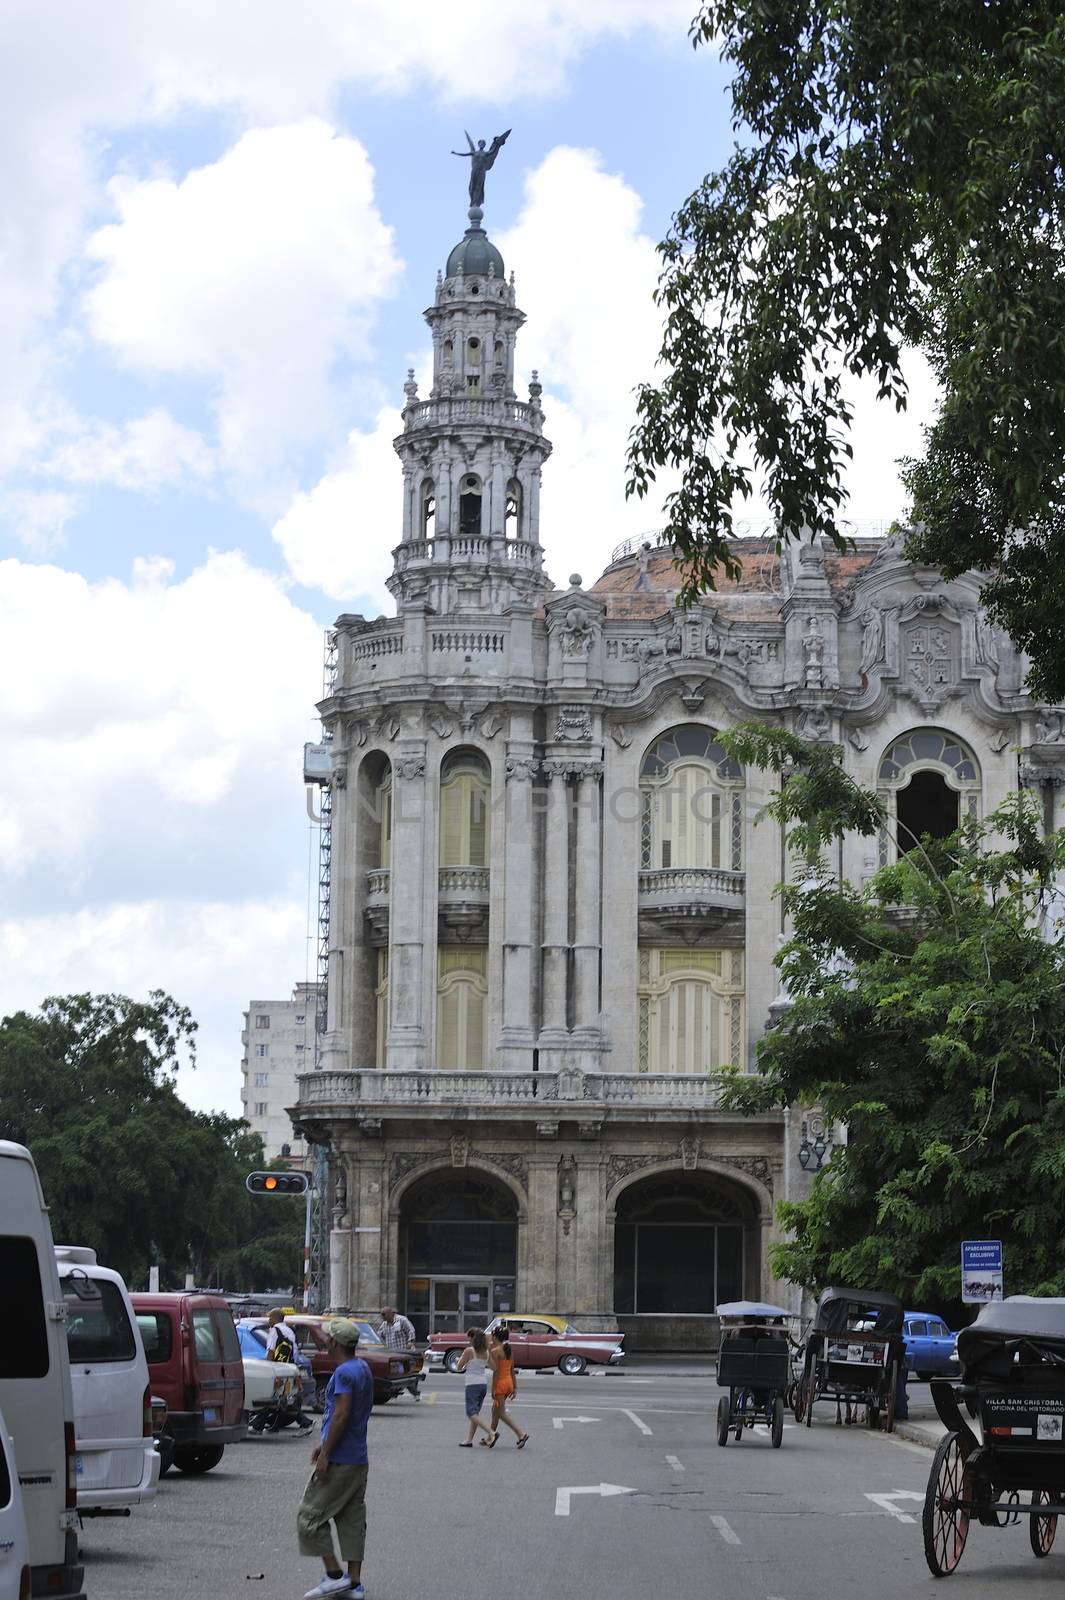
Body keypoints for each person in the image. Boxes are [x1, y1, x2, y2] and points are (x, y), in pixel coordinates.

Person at [296, 1318, 373, 1600]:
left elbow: (341, 1414)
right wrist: (323, 1444)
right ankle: (354, 1584)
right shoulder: (361, 1367)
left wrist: (326, 1453)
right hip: (357, 1457)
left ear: (336, 1343)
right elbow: (348, 1417)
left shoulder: (343, 1373)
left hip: (340, 1458)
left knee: (308, 1517)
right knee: (352, 1518)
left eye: (328, 1338)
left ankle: (334, 1576)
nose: (325, 1341)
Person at [250, 1309, 314, 1434]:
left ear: (275, 1318)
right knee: (282, 1397)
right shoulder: (289, 1330)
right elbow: (294, 1352)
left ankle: (305, 1423)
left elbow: (271, 1351)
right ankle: (269, 1425)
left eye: (270, 1318)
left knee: (273, 1396)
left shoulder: (275, 1330)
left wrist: (267, 1367)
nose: (268, 1320)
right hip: (290, 1368)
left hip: (278, 1369)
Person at [487, 1329, 528, 1448]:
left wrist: (493, 1389)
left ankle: (521, 1434)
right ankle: (490, 1437)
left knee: (500, 1413)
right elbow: (512, 1369)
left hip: (500, 1384)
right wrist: (515, 1387)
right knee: (495, 1412)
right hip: (508, 1382)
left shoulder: (495, 1351)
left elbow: (496, 1371)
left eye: (492, 1336)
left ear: (495, 1337)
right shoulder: (508, 1349)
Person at [455, 1327, 494, 1447]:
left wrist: (466, 1363)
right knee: (475, 1413)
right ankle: (469, 1440)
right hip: (483, 1384)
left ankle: (491, 1432)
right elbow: (494, 1367)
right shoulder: (486, 1352)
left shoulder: (469, 1351)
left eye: (469, 1338)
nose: (468, 1341)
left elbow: (458, 1367)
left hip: (472, 1384)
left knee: (471, 1412)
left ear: (473, 1338)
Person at [377, 1306, 421, 1401]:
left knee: (408, 1374)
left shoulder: (401, 1320)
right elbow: (379, 1335)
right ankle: (393, 1392)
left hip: (405, 1352)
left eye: (384, 1314)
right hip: (393, 1353)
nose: (382, 1317)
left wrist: (410, 1342)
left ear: (390, 1313)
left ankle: (415, 1393)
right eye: (381, 1315)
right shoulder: (384, 1324)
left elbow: (411, 1330)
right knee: (395, 1374)